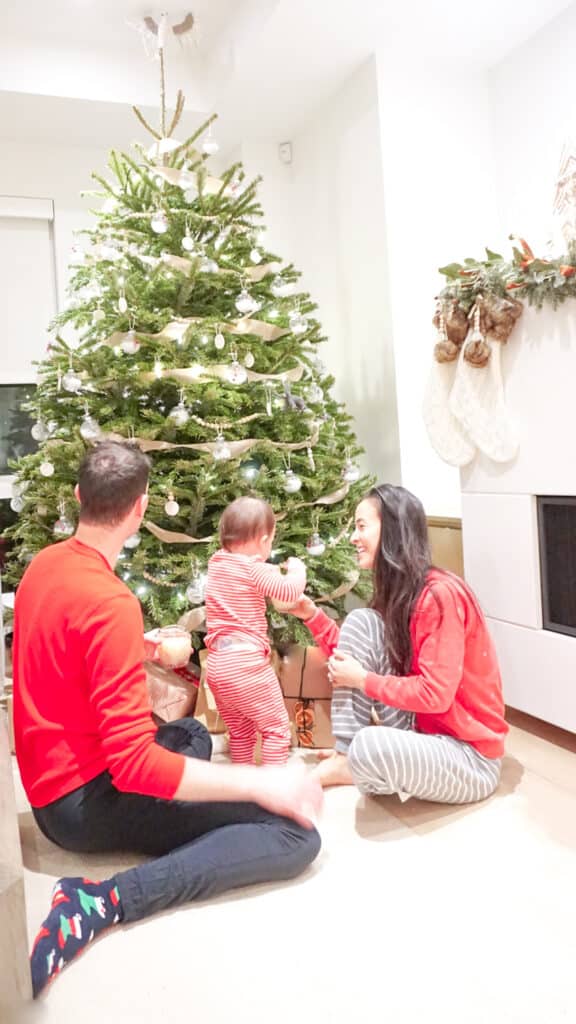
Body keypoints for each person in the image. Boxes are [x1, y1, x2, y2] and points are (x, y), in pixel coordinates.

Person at [12, 441, 322, 998]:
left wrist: (143, 649)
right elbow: (135, 765)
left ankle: (191, 827)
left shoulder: (45, 566)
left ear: (80, 496)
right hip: (80, 802)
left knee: (194, 734)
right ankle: (102, 900)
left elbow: (64, 655)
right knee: (294, 834)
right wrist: (262, 780)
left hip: (47, 782)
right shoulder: (110, 601)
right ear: (139, 509)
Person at [288, 483, 508, 802]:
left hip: (470, 759)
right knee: (362, 621)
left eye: (362, 526)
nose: (353, 536)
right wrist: (312, 616)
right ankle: (346, 755)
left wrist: (363, 680)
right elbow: (352, 661)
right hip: (422, 731)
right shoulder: (401, 595)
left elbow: (436, 696)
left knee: (370, 745)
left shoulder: (439, 596)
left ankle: (355, 757)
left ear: (391, 529)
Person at [205, 496, 306, 765]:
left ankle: (244, 788)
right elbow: (288, 590)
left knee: (240, 733)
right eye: (271, 540)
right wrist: (297, 570)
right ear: (263, 540)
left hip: (217, 666)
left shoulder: (217, 563)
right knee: (276, 729)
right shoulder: (252, 568)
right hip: (246, 665)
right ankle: (272, 791)